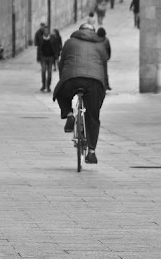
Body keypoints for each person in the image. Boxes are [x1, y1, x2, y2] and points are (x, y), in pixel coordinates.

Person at [53, 23, 109, 164]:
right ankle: (91, 152)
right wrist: (103, 90)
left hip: (72, 78)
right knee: (93, 116)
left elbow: (62, 63)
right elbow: (104, 70)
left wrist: (63, 80)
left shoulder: (69, 42)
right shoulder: (100, 46)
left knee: (60, 93)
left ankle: (70, 115)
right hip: (94, 82)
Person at [39, 27, 57, 92]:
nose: (46, 32)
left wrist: (56, 56)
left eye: (47, 31)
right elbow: (39, 48)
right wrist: (39, 57)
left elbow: (55, 47)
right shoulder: (41, 39)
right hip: (43, 57)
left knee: (49, 72)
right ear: (44, 32)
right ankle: (43, 85)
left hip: (50, 57)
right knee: (43, 71)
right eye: (45, 31)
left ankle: (48, 86)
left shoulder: (52, 39)